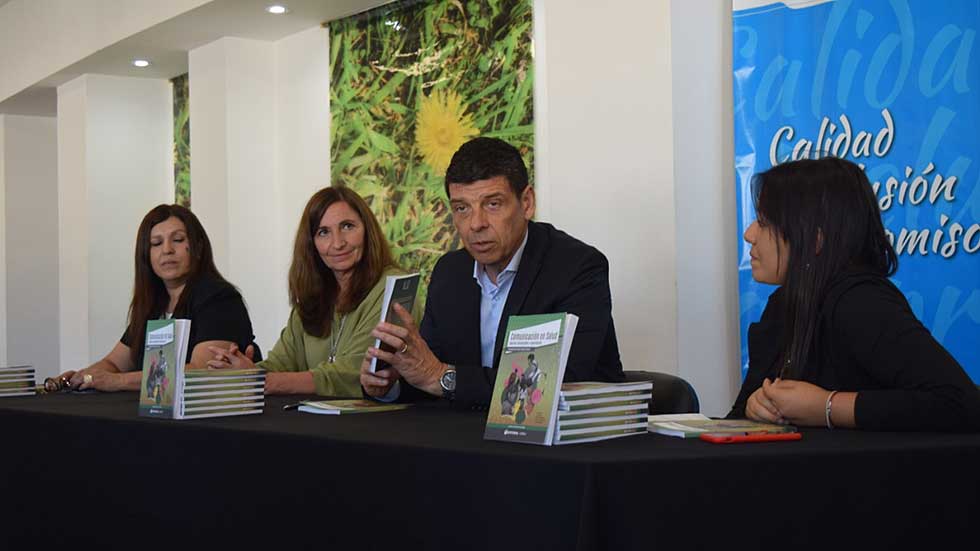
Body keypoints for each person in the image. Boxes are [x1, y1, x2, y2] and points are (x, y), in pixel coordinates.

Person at [360, 137, 624, 409]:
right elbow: (432, 378)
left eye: (493, 204)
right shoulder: (450, 273)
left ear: (527, 202)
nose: (476, 224)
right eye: (462, 208)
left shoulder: (576, 268)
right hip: (471, 439)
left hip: (567, 440)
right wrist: (392, 383)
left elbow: (551, 386)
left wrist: (440, 376)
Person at [729, 157, 980, 431]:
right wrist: (754, 407)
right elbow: (736, 419)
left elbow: (959, 402)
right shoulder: (782, 305)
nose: (749, 234)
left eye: (764, 223)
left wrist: (828, 406)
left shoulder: (860, 302)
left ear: (815, 240)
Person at [208, 186, 406, 396]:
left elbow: (353, 373)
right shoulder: (315, 293)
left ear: (368, 230)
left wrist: (257, 381)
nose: (337, 243)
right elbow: (281, 363)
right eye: (323, 232)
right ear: (311, 244)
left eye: (347, 226)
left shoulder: (394, 285)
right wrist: (239, 370)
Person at [53, 205, 258, 392]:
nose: (167, 250)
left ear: (198, 248)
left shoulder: (219, 298)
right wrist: (83, 376)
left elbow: (201, 372)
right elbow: (114, 364)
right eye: (156, 243)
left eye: (177, 240)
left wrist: (119, 381)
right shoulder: (153, 304)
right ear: (146, 255)